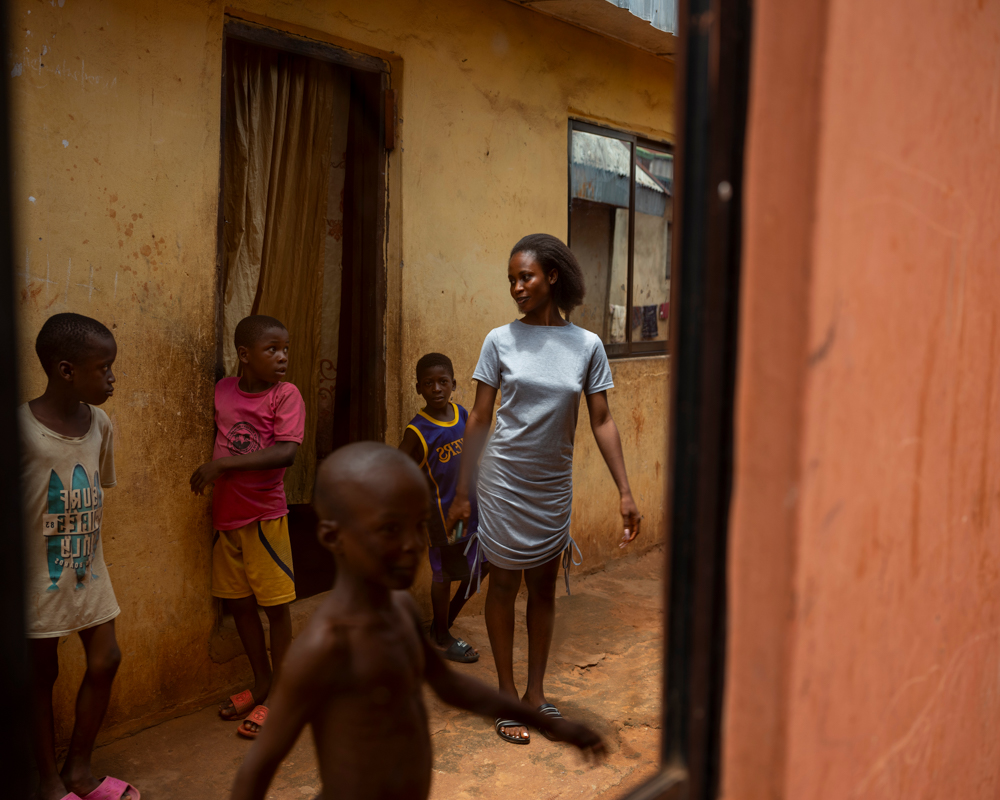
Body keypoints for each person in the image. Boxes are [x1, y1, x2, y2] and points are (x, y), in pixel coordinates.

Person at [229, 443, 606, 800]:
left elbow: (451, 687)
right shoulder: (324, 649)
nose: (413, 544)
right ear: (333, 536)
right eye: (391, 529)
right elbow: (257, 769)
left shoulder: (400, 611)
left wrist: (550, 722)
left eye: (420, 524)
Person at [447, 233, 641, 745]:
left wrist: (624, 490)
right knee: (503, 586)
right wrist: (464, 489)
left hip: (552, 486)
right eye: (511, 279)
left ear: (551, 277)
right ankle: (508, 696)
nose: (516, 287)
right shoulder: (499, 340)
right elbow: (481, 418)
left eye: (525, 277)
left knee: (543, 589)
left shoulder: (587, 345)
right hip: (504, 482)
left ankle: (535, 694)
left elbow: (601, 420)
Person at [23, 313, 139, 800]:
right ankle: (48, 781)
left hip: (88, 568)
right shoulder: (21, 430)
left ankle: (78, 770)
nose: (112, 378)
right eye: (104, 368)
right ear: (66, 370)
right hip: (35, 576)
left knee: (106, 657)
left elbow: (94, 489)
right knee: (40, 673)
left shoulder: (100, 423)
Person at [190, 314, 304, 739]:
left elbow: (286, 453)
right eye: (272, 349)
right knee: (238, 604)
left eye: (285, 348)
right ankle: (261, 683)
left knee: (275, 607)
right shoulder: (223, 391)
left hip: (264, 517)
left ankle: (282, 692)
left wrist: (222, 465)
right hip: (227, 518)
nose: (282, 357)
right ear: (244, 354)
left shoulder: (286, 396)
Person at [398, 352, 488, 662]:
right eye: (428, 383)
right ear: (418, 388)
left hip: (471, 510)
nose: (436, 388)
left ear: (453, 384)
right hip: (441, 518)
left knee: (483, 564)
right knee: (443, 575)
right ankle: (441, 636)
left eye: (443, 382)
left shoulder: (462, 415)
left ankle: (442, 624)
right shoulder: (417, 431)